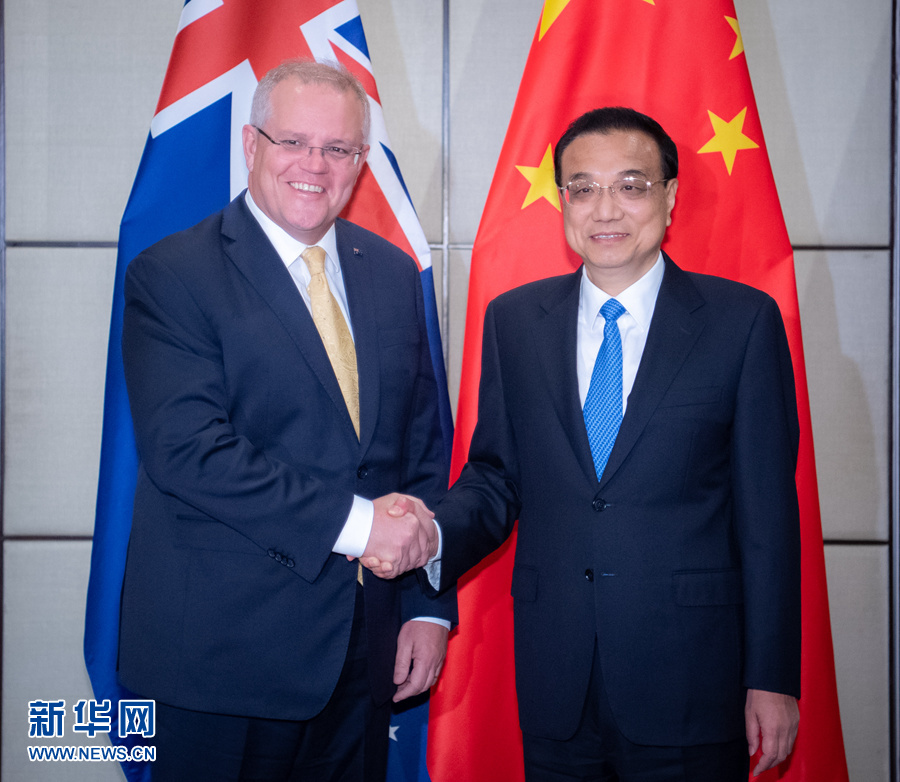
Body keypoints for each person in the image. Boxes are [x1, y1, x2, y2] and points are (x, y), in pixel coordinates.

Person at [371, 107, 801, 780]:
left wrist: (772, 676)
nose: (605, 209)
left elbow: (768, 518)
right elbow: (496, 478)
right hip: (557, 680)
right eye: (583, 188)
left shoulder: (741, 323)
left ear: (669, 196)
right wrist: (430, 533)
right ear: (563, 200)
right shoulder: (515, 321)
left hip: (691, 677)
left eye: (630, 186)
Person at [117, 59, 452, 782]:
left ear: (361, 161)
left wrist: (426, 606)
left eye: (338, 148)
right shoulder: (173, 274)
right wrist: (363, 527)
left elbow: (419, 450)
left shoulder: (391, 273)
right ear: (251, 144)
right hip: (221, 665)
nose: (314, 165)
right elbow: (189, 452)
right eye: (293, 141)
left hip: (362, 660)